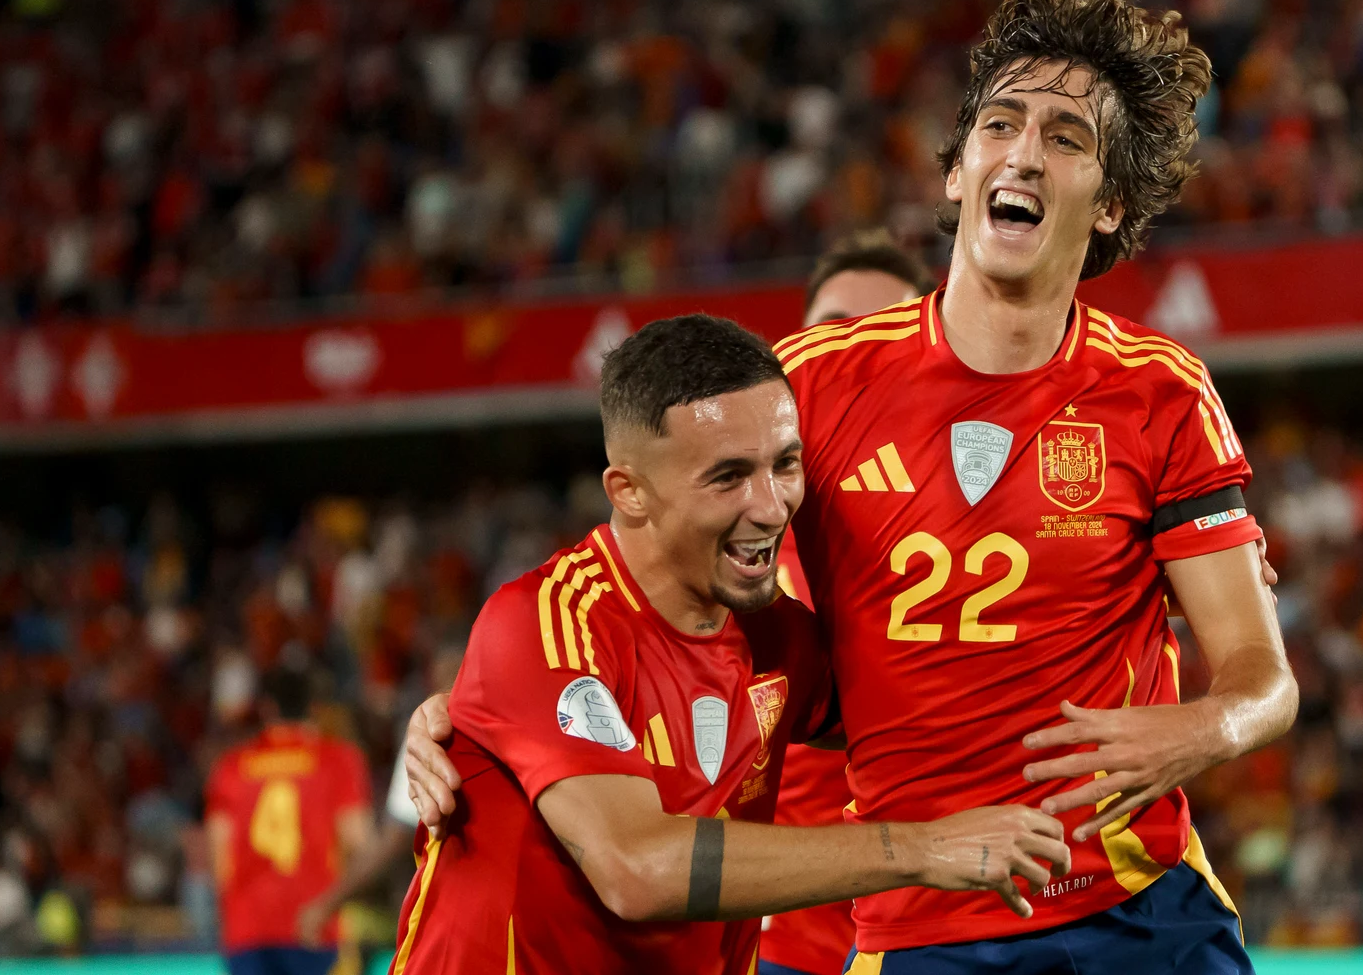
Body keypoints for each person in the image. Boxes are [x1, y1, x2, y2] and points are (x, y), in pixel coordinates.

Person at [410, 0, 1294, 974]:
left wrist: (1201, 731)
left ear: (1110, 204)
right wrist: (472, 706)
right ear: (957, 172)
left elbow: (1263, 681)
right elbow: (641, 573)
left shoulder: (1160, 391)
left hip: (1134, 905)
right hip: (919, 916)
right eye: (1000, 126)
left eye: (1066, 138)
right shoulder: (813, 381)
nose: (1025, 154)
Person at [386, 314, 1069, 975]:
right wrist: (921, 848)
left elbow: (935, 715)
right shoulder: (545, 622)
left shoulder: (776, 635)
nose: (771, 505)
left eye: (786, 464)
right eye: (728, 476)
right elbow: (636, 868)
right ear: (630, 492)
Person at [764, 232, 937, 975]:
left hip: (943, 935)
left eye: (883, 335)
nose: (851, 358)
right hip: (780, 950)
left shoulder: (990, 522)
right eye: (833, 332)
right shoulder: (718, 535)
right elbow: (581, 641)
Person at [293, 643, 466, 949]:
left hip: (447, 916)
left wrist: (326, 904)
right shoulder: (502, 721)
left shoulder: (429, 729)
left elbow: (393, 840)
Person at [206, 667, 374, 975]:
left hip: (248, 931)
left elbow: (219, 859)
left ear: (267, 707)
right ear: (315, 707)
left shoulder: (231, 767)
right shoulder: (338, 760)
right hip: (315, 925)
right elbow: (359, 843)